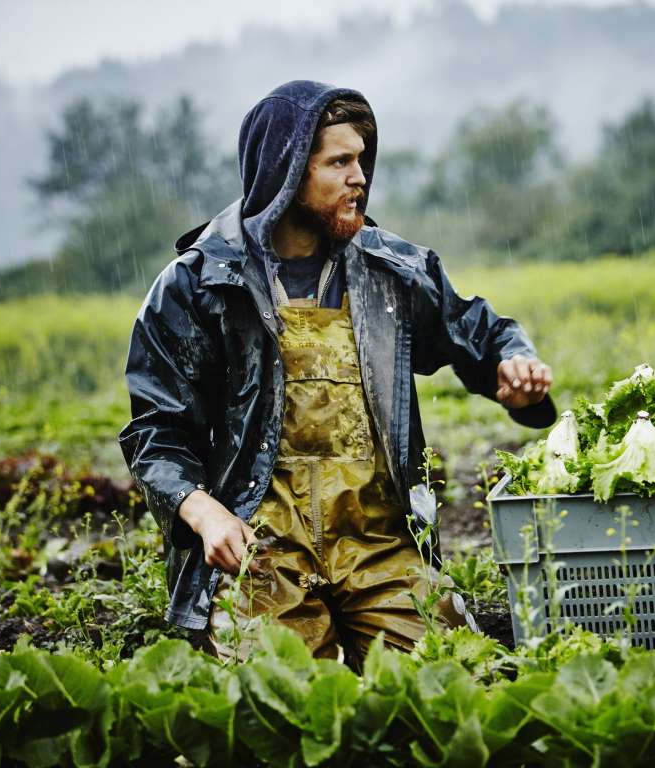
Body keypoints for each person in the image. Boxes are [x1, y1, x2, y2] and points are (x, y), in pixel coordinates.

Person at [119, 80, 555, 666]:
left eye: (362, 161)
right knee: (283, 699)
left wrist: (513, 367)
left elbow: (480, 331)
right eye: (339, 162)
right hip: (260, 552)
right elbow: (156, 431)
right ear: (286, 171)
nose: (360, 178)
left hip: (379, 546)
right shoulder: (199, 284)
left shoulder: (391, 270)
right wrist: (204, 512)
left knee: (454, 679)